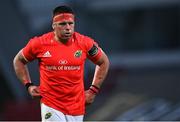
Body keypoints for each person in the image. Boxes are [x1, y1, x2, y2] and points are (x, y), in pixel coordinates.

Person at [13, 5, 109, 122]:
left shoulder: (85, 43)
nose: (68, 28)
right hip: (51, 104)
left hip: (76, 106)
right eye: (63, 24)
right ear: (54, 25)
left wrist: (93, 90)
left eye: (70, 23)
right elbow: (18, 60)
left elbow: (103, 62)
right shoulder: (39, 43)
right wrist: (28, 85)